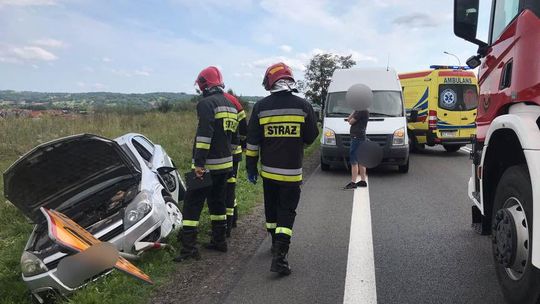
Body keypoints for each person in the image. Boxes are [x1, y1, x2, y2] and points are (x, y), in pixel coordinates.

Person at [246, 62, 319, 275]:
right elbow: (311, 136)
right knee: (286, 212)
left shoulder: (260, 107)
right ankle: (280, 257)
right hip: (291, 173)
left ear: (270, 82)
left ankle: (273, 243)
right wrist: (297, 144)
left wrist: (250, 167)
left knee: (271, 208)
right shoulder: (303, 106)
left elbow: (252, 142)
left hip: (268, 172)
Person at [174, 66, 239, 262]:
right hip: (226, 164)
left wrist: (199, 164)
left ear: (204, 84)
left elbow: (204, 136)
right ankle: (220, 241)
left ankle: (189, 249)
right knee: (217, 201)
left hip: (208, 165)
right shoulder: (231, 105)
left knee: (192, 204)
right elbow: (234, 139)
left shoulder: (206, 104)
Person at [223, 92, 247, 237]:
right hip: (235, 153)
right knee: (230, 186)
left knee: (227, 189)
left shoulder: (211, 101)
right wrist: (243, 145)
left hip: (222, 155)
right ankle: (233, 219)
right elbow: (244, 128)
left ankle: (228, 224)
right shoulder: (234, 101)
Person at [343, 109, 369, 190]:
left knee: (354, 160)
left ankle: (353, 182)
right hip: (360, 137)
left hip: (357, 137)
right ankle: (363, 181)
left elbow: (350, 121)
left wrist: (355, 111)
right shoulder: (360, 110)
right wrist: (354, 110)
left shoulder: (362, 111)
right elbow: (348, 119)